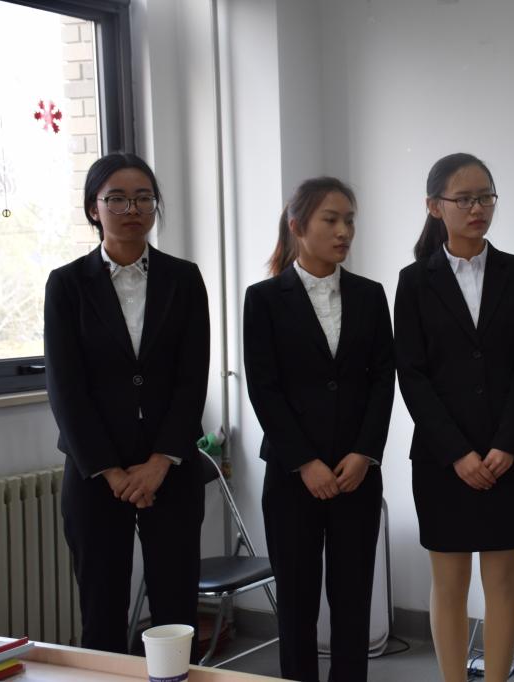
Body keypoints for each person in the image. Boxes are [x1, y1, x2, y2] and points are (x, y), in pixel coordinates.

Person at [44, 152, 209, 657]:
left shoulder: (184, 278)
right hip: (96, 473)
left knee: (176, 612)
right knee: (102, 611)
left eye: (143, 198)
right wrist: (113, 473)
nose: (132, 209)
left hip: (171, 468)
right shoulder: (67, 284)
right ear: (93, 208)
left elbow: (192, 378)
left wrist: (160, 461)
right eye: (116, 198)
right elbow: (66, 389)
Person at [394, 153, 514, 682]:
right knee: (450, 582)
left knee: (502, 581)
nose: (478, 208)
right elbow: (412, 375)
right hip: (442, 459)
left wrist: (506, 443)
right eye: (464, 199)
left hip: (509, 455)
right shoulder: (415, 281)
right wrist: (457, 452)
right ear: (435, 206)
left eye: (485, 197)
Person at [243, 177, 395, 682]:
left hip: (356, 473)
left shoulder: (370, 295)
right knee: (297, 603)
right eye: (330, 220)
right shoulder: (264, 299)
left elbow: (383, 380)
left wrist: (364, 452)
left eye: (349, 220)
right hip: (293, 477)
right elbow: (264, 389)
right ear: (297, 225)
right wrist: (305, 462)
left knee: (352, 600)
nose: (343, 231)